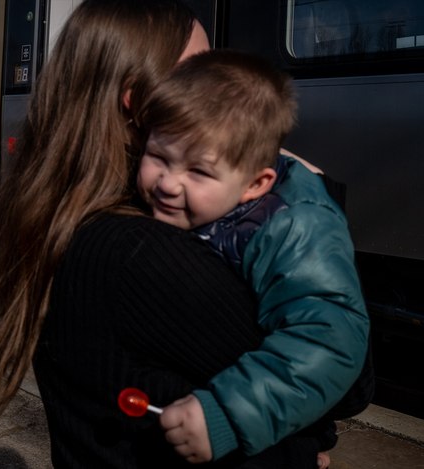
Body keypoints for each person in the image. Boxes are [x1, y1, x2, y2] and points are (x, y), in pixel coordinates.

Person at [0, 1, 368, 467]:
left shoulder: (65, 222)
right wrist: (315, 200)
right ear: (136, 100)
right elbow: (347, 382)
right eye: (196, 71)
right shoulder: (141, 253)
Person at [136, 48, 371, 465]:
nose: (168, 184)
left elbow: (328, 337)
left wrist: (228, 414)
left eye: (198, 172)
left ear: (255, 184)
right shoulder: (217, 200)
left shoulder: (292, 227)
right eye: (158, 157)